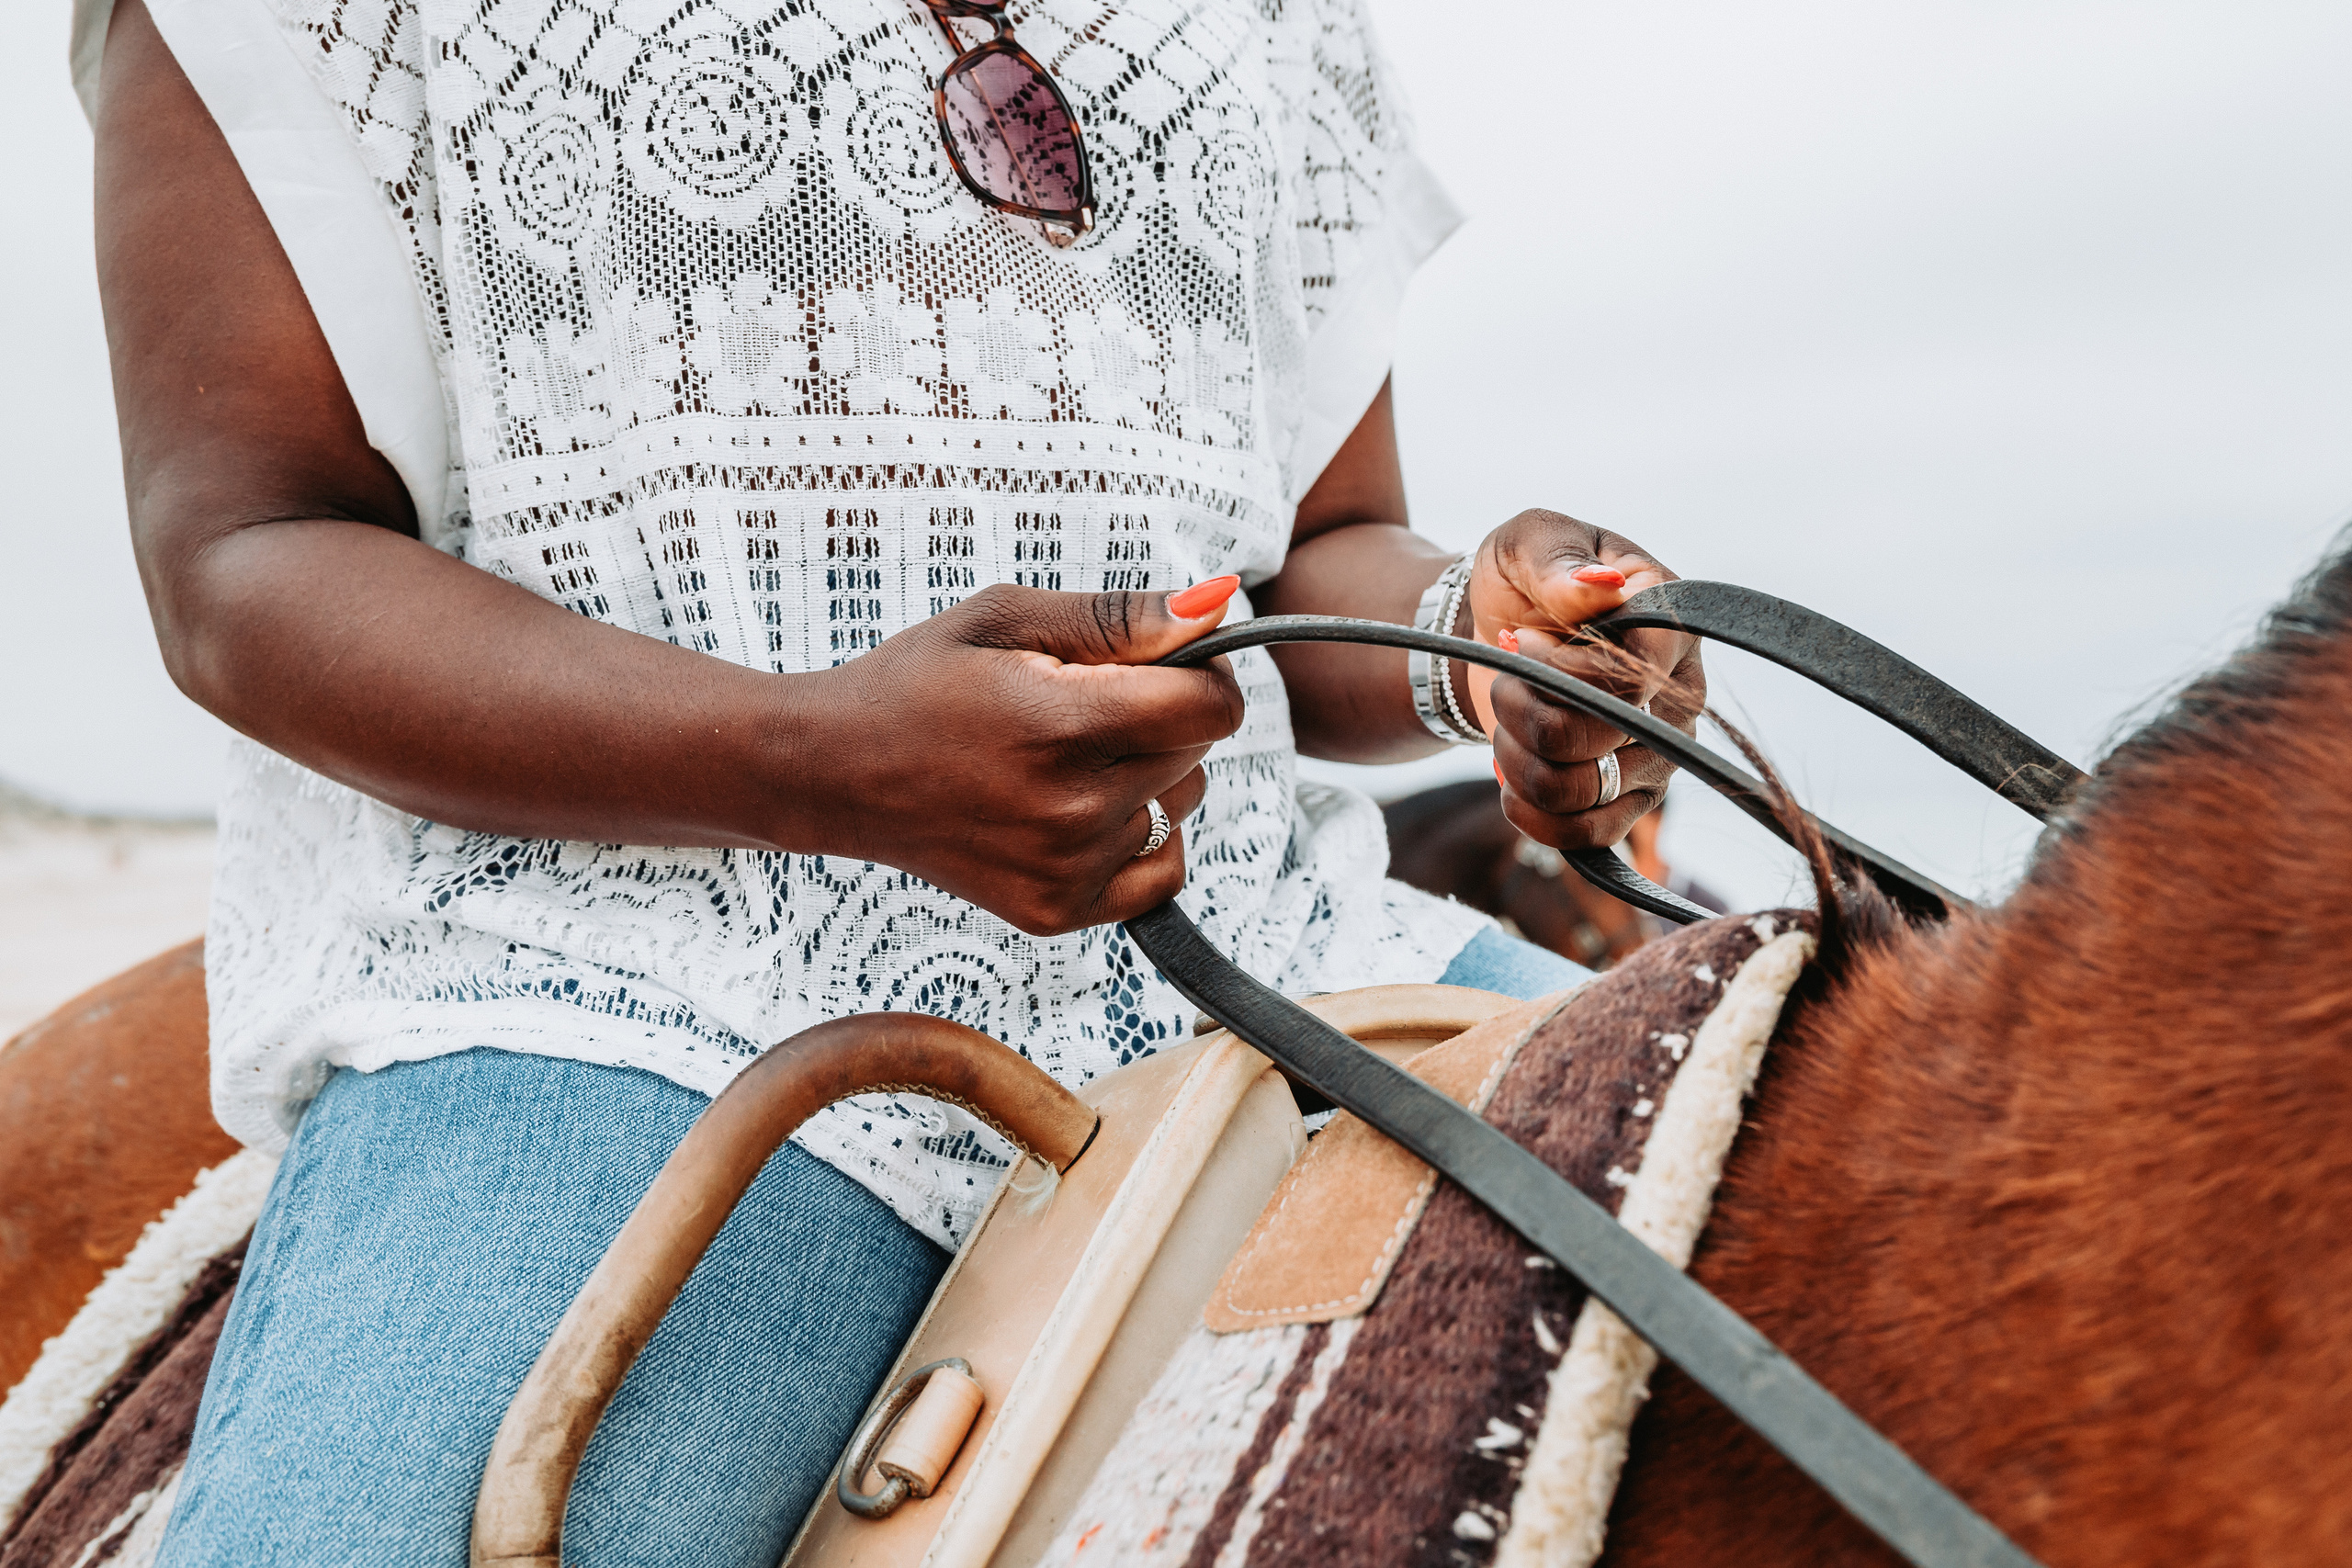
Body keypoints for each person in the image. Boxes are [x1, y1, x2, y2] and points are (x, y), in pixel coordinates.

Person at [78, 0, 1706, 1558]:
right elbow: (246, 553)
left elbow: (1303, 551)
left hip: (1289, 961)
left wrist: (1478, 636)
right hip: (625, 988)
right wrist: (816, 762)